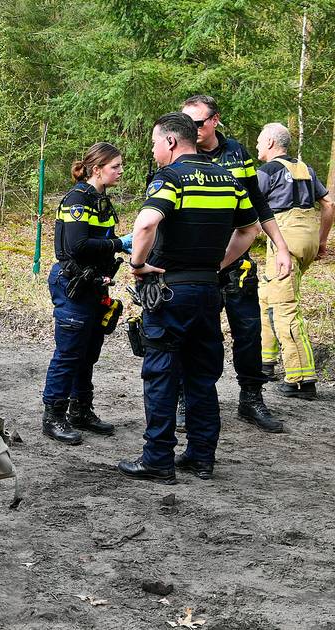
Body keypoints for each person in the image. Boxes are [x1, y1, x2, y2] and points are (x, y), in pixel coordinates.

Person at [118, 112, 261, 483]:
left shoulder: (171, 178)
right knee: (201, 376)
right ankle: (201, 457)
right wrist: (217, 265)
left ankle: (158, 460)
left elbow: (147, 223)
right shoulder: (228, 180)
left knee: (162, 374)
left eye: (154, 143)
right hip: (208, 292)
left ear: (170, 142)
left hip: (170, 291)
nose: (153, 151)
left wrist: (137, 264)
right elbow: (250, 229)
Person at [180, 95, 293, 433]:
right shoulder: (179, 151)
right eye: (187, 123)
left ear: (215, 120)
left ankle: (251, 398)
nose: (192, 130)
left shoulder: (237, 154)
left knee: (248, 331)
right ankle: (190, 401)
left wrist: (282, 246)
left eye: (198, 123)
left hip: (235, 261)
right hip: (195, 264)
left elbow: (257, 203)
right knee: (197, 335)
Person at [41, 142, 126, 445]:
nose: (120, 171)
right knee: (69, 353)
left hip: (94, 285)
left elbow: (104, 237)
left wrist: (120, 244)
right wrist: (120, 244)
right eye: (115, 166)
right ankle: (53, 416)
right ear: (96, 169)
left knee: (88, 353)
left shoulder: (101, 199)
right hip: (73, 284)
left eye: (120, 165)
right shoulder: (78, 199)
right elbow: (77, 246)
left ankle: (81, 409)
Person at [255, 122, 334, 400]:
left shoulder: (268, 171)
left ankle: (302, 379)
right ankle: (265, 363)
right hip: (308, 238)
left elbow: (248, 204)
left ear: (270, 143)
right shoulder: (305, 169)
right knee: (266, 296)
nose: (256, 147)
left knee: (285, 308)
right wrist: (322, 239)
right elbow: (328, 204)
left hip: (284, 242)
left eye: (259, 142)